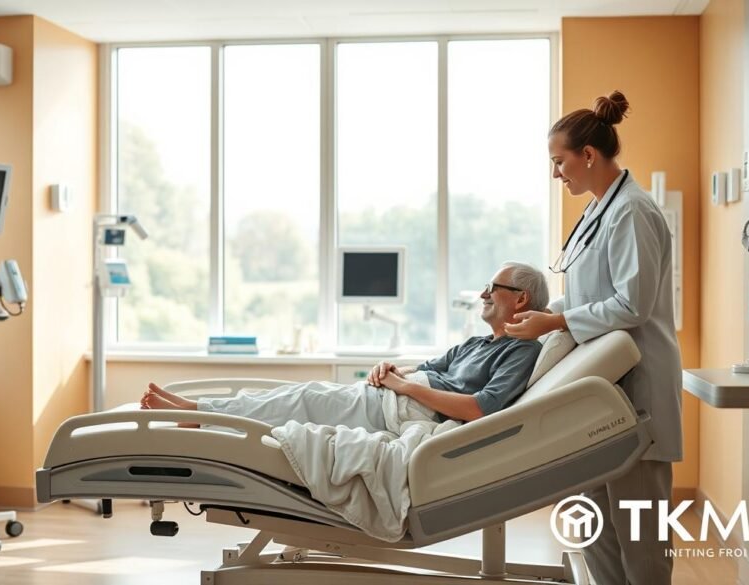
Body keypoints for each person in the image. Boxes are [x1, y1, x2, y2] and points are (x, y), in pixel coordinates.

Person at [504, 90, 682, 585]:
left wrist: (557, 323)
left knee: (641, 541)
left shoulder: (632, 213)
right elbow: (587, 294)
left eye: (559, 162)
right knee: (597, 527)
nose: (555, 174)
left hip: (638, 388)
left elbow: (631, 305)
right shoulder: (599, 209)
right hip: (602, 389)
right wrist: (542, 314)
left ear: (588, 154)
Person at [140, 262, 550, 432]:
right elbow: (423, 366)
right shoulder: (477, 342)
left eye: (492, 288)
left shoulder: (522, 351)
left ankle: (197, 416)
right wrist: (391, 370)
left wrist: (404, 387)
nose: (482, 293)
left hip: (407, 407)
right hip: (395, 396)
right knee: (293, 396)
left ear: (520, 299)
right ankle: (198, 413)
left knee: (300, 398)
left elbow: (480, 408)